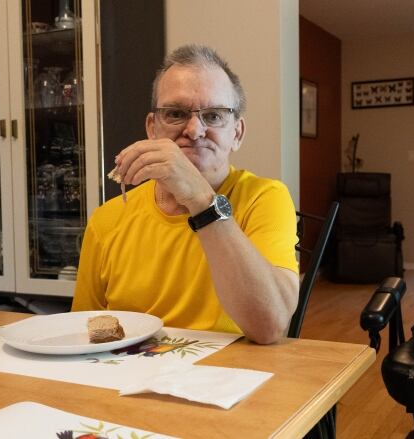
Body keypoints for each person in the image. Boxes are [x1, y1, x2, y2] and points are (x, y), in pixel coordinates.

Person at [72, 44, 299, 344]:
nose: (194, 130)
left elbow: (270, 327)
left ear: (237, 133)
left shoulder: (265, 198)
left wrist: (201, 200)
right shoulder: (107, 219)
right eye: (176, 114)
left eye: (214, 116)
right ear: (152, 129)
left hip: (229, 380)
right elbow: (83, 330)